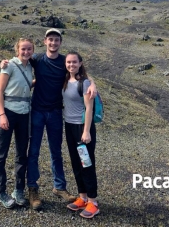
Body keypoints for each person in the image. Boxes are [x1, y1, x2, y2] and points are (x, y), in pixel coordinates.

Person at [0, 28, 97, 211]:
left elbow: (80, 72)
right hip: (36, 111)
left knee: (56, 151)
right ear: (45, 41)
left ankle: (59, 186)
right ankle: (33, 189)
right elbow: (20, 61)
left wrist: (92, 83)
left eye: (56, 40)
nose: (53, 43)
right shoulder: (37, 59)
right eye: (50, 40)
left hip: (56, 112)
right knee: (34, 151)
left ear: (60, 43)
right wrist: (5, 62)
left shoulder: (64, 62)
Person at [0, 38, 34, 209]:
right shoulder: (9, 65)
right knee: (1, 154)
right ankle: (0, 191)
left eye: (29, 49)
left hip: (25, 114)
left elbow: (28, 84)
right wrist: (2, 115)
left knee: (21, 154)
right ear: (18, 49)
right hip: (8, 113)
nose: (26, 52)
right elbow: (0, 91)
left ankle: (18, 190)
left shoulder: (32, 66)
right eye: (23, 49)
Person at [62, 51, 99, 219]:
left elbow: (89, 108)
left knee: (86, 163)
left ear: (80, 63)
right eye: (68, 62)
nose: (71, 65)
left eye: (74, 62)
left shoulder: (84, 83)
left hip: (82, 129)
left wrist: (86, 131)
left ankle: (93, 202)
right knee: (76, 163)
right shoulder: (66, 80)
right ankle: (82, 197)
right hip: (69, 126)